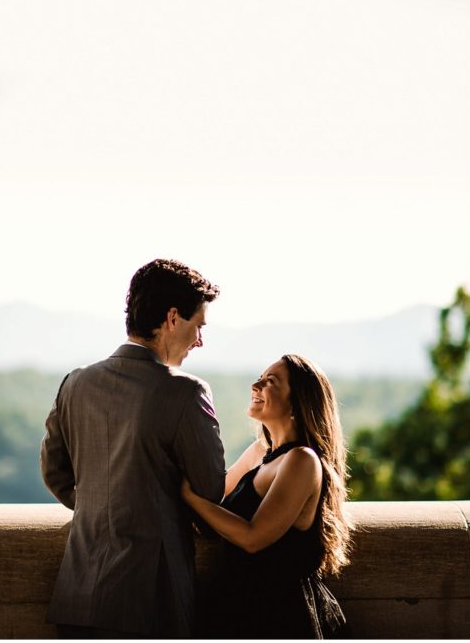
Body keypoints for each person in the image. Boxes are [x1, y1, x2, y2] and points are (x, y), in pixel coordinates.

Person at [40, 258, 227, 638]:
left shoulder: (75, 383)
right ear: (173, 318)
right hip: (152, 602)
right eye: (198, 326)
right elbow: (210, 490)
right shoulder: (186, 392)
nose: (199, 341)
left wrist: (104, 504)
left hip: (77, 596)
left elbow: (54, 472)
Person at [181, 354, 351, 639]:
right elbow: (214, 490)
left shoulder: (302, 460)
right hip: (239, 603)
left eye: (270, 381)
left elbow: (253, 537)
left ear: (297, 403)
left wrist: (188, 496)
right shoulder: (260, 452)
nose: (256, 384)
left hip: (277, 614)